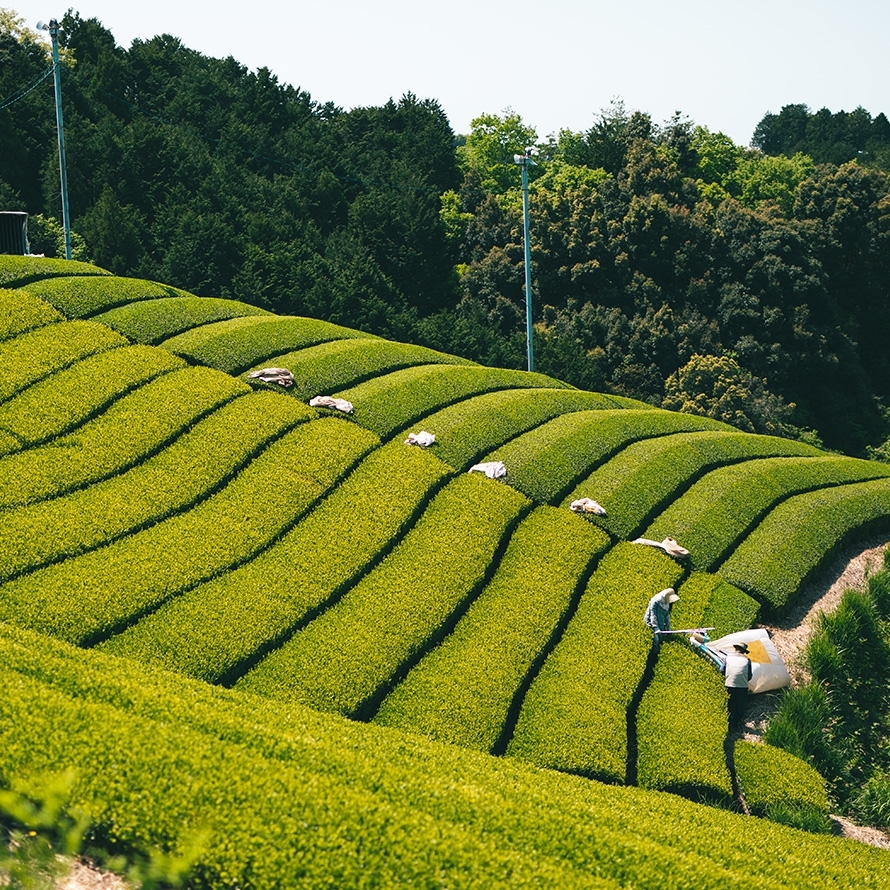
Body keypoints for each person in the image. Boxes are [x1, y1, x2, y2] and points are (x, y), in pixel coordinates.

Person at [723, 642, 753, 733]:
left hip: (729, 685)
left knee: (730, 704)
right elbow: (749, 676)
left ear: (735, 648)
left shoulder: (728, 658)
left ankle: (728, 723)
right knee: (740, 705)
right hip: (742, 687)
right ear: (744, 651)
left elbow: (722, 670)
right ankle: (737, 724)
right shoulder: (747, 660)